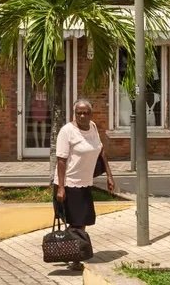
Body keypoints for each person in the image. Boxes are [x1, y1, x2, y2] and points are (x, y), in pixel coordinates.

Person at [54, 99, 115, 272]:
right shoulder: (67, 131)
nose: (82, 115)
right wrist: (61, 187)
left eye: (85, 112)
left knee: (82, 221)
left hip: (85, 183)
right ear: (74, 114)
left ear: (91, 114)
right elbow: (61, 159)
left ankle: (74, 253)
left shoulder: (93, 127)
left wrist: (109, 176)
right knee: (76, 223)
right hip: (69, 183)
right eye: (79, 112)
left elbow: (101, 151)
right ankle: (75, 258)